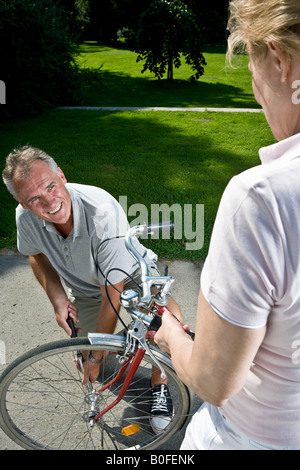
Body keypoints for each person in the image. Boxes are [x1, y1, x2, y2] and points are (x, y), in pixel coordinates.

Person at [155, 0, 300, 450]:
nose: (257, 93)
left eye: (251, 69)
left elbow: (214, 382)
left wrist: (172, 337)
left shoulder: (262, 198)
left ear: (278, 58)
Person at [2, 145, 179, 433]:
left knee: (166, 327)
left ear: (61, 175)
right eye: (34, 198)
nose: (49, 202)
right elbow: (36, 255)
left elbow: (113, 293)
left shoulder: (103, 213)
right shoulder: (25, 217)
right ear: (20, 200)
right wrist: (58, 300)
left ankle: (159, 385)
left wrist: (97, 356)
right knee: (90, 362)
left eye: (51, 186)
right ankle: (112, 344)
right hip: (86, 289)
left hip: (128, 274)